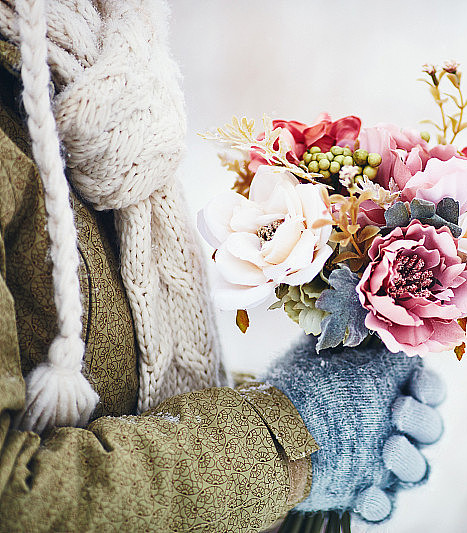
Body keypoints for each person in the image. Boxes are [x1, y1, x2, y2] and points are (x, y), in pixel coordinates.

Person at [0, 1, 443, 531]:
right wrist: (287, 439)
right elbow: (17, 500)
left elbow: (122, 386)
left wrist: (327, 419)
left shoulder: (108, 70)